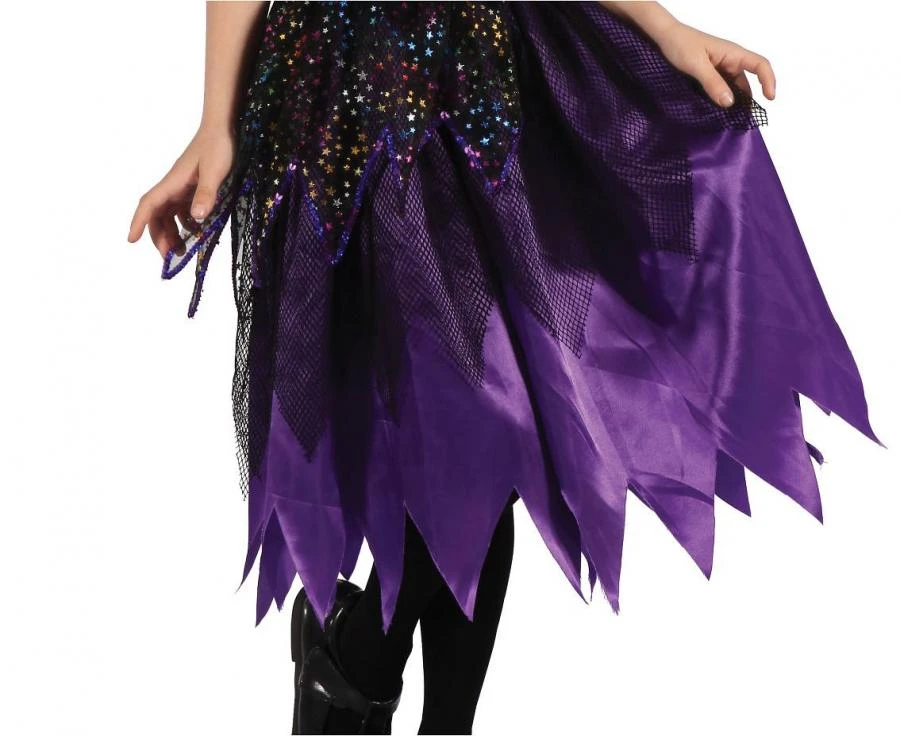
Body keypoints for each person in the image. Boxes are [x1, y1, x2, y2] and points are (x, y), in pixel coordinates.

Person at [127, 2, 882, 734]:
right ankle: (354, 671)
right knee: (469, 423)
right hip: (345, 101)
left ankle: (380, 688)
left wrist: (659, 25)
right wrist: (216, 121)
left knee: (496, 426)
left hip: (483, 80)